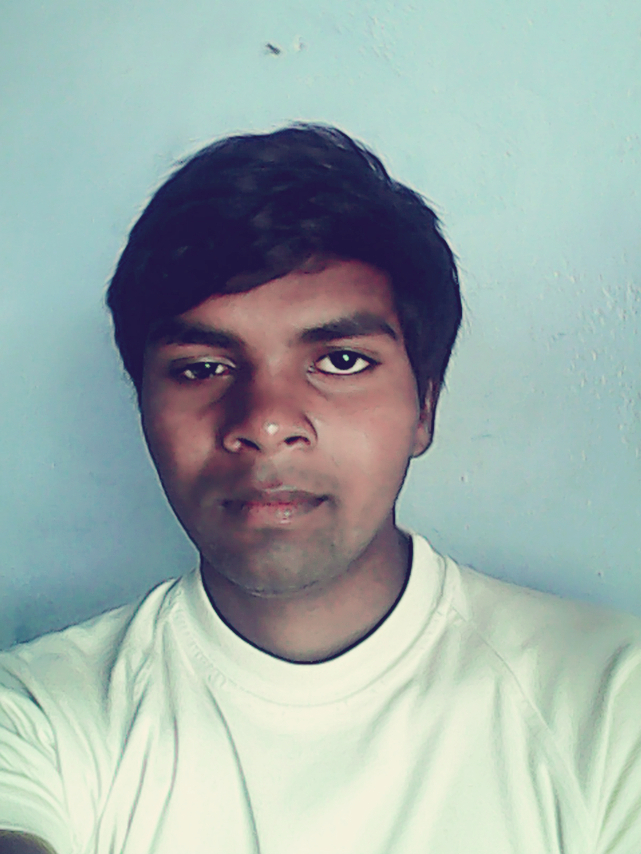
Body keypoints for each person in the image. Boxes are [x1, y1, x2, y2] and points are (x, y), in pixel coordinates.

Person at [0, 124, 640, 854]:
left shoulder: (610, 702)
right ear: (143, 406)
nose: (266, 423)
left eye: (339, 361)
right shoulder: (36, 713)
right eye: (202, 368)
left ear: (424, 409)